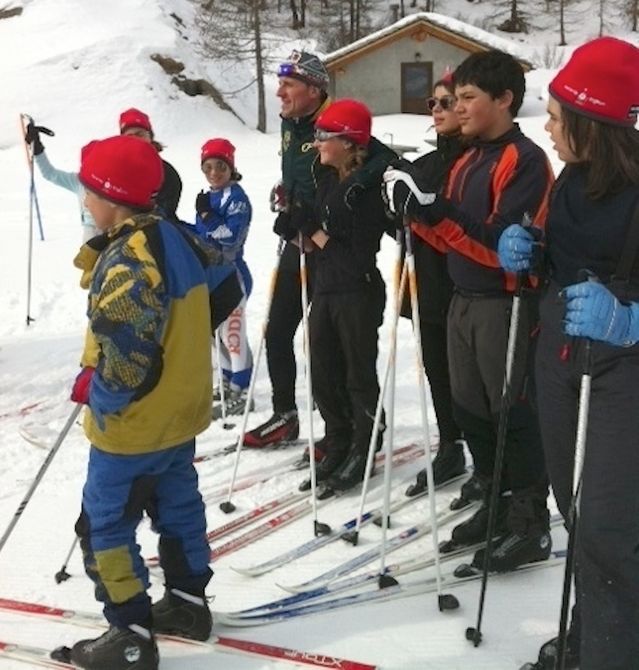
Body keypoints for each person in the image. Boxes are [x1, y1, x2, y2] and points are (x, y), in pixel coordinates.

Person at [498, 36, 639, 670]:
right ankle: (596, 636)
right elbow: (562, 256)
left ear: (593, 121)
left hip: (624, 369)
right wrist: (530, 252)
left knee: (610, 527)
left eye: (556, 117)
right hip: (562, 358)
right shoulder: (574, 182)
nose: (547, 129)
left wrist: (632, 321)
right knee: (576, 510)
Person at [384, 49, 554, 572]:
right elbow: (453, 238)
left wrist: (442, 214)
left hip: (504, 302)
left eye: (468, 99)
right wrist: (416, 217)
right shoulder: (469, 156)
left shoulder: (522, 160)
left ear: (503, 100)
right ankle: (497, 503)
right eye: (454, 100)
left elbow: (503, 245)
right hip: (462, 299)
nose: (457, 110)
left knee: (511, 413)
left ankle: (529, 519)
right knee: (471, 410)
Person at [66, 135, 216, 670]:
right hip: (180, 413)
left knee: (103, 524)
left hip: (132, 426)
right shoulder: (178, 237)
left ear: (112, 196)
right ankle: (188, 603)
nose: (86, 203)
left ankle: (128, 632)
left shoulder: (129, 259)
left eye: (89, 193)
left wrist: (99, 390)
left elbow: (127, 357)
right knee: (178, 504)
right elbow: (219, 288)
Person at [298, 99, 393, 492]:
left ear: (350, 143)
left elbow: (357, 255)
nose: (318, 142)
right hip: (326, 287)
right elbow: (319, 239)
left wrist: (316, 234)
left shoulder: (365, 190)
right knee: (322, 370)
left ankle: (363, 445)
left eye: (326, 136)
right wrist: (297, 226)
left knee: (357, 373)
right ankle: (338, 437)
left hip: (357, 290)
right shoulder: (326, 181)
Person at [243, 50, 331, 449]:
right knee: (277, 331)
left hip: (331, 250)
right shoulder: (290, 125)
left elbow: (347, 186)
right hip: (296, 243)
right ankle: (285, 415)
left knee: (329, 342)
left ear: (313, 90)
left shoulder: (332, 126)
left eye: (288, 84)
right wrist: (286, 197)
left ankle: (347, 428)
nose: (280, 92)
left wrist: (311, 223)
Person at [400, 72, 467, 499]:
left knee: (468, 381)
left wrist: (419, 215)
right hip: (424, 282)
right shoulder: (425, 162)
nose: (439, 111)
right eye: (434, 104)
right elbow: (402, 223)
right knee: (438, 373)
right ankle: (450, 445)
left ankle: (479, 450)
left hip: (460, 283)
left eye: (447, 102)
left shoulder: (472, 161)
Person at [192, 137, 253, 416]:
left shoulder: (236, 198)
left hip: (232, 276)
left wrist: (208, 216)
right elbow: (202, 237)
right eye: (208, 168)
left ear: (231, 168)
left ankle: (243, 390)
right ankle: (228, 383)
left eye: (220, 167)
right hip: (211, 278)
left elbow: (231, 240)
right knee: (218, 336)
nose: (214, 173)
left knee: (233, 335)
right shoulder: (210, 196)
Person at [24, 120, 98, 241]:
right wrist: (37, 149)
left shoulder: (114, 182)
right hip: (90, 235)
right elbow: (50, 173)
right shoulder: (79, 181)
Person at [118, 107, 182, 221]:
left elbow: (165, 212)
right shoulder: (115, 171)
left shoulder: (166, 172)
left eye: (140, 134)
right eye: (129, 136)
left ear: (150, 137)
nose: (135, 140)